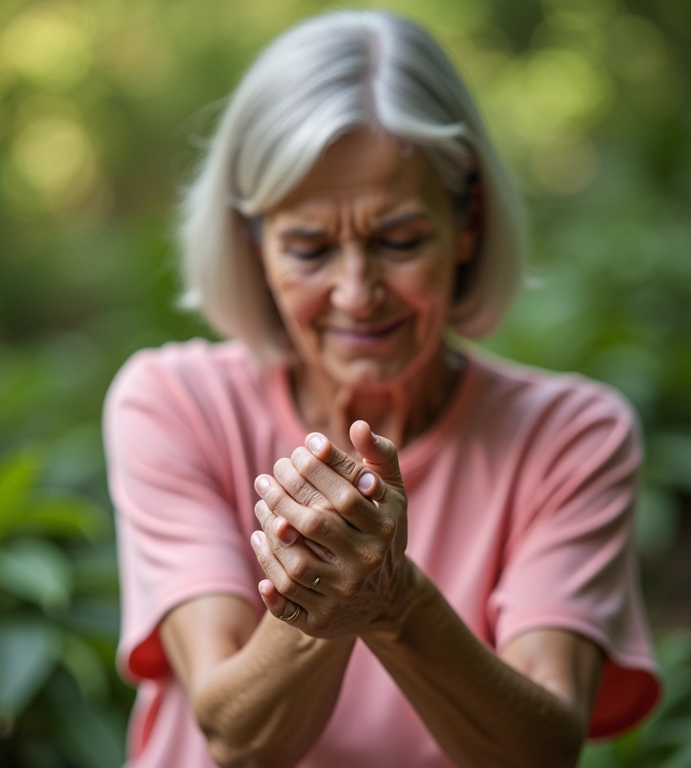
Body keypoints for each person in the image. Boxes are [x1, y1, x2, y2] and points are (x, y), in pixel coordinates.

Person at [103, 9, 661, 767]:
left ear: (465, 224)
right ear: (254, 242)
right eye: (308, 247)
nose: (357, 292)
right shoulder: (172, 404)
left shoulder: (571, 436)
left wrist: (395, 600)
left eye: (398, 240)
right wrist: (340, 588)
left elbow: (541, 748)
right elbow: (233, 735)